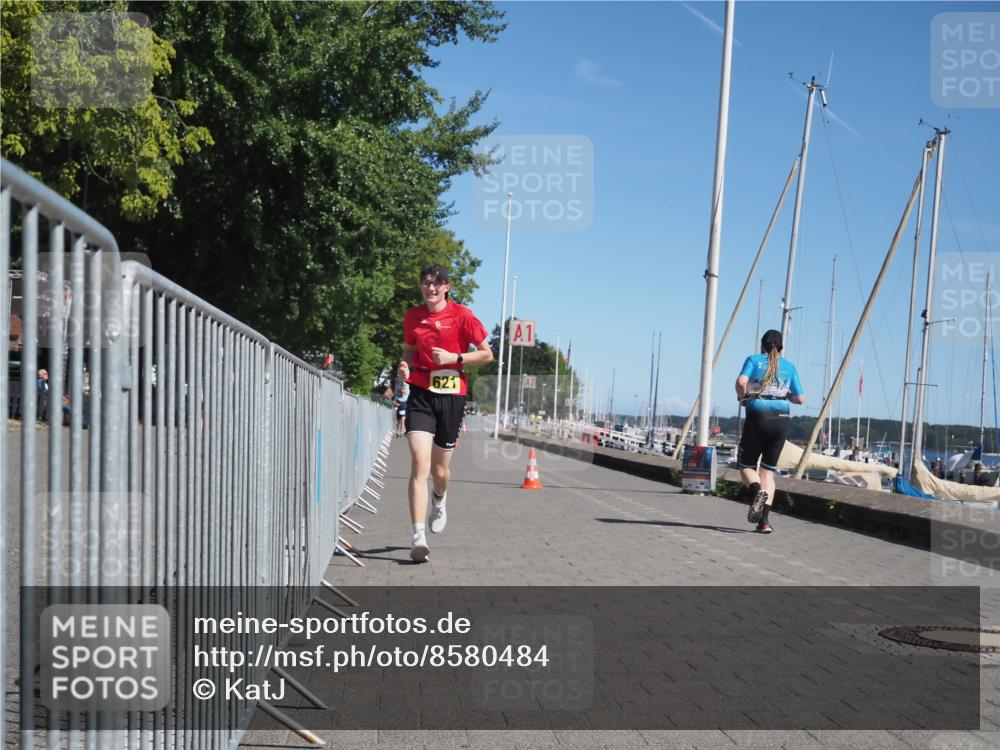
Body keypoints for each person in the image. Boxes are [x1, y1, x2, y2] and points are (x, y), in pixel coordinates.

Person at [402, 263, 493, 562]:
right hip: (420, 393)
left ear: (446, 288)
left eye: (436, 284)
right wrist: (405, 365)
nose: (430, 288)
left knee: (439, 471)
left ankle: (439, 500)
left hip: (452, 395)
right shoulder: (413, 317)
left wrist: (456, 357)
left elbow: (487, 354)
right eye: (425, 283)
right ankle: (418, 536)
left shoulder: (462, 315)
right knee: (419, 462)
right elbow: (409, 349)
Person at [734, 329, 805, 534]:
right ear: (781, 347)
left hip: (758, 416)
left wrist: (743, 397)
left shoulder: (754, 360)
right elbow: (800, 399)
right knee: (768, 472)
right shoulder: (789, 367)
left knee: (746, 466)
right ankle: (764, 522)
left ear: (762, 345)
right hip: (781, 421)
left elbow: (741, 382)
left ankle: (756, 492)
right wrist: (786, 394)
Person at [393, 361, 410, 437]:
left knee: (403, 420)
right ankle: (397, 431)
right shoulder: (398, 397)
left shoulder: (407, 397)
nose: (403, 391)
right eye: (402, 390)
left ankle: (402, 432)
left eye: (404, 390)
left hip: (404, 411)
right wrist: (397, 404)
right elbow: (394, 402)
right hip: (399, 410)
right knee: (398, 422)